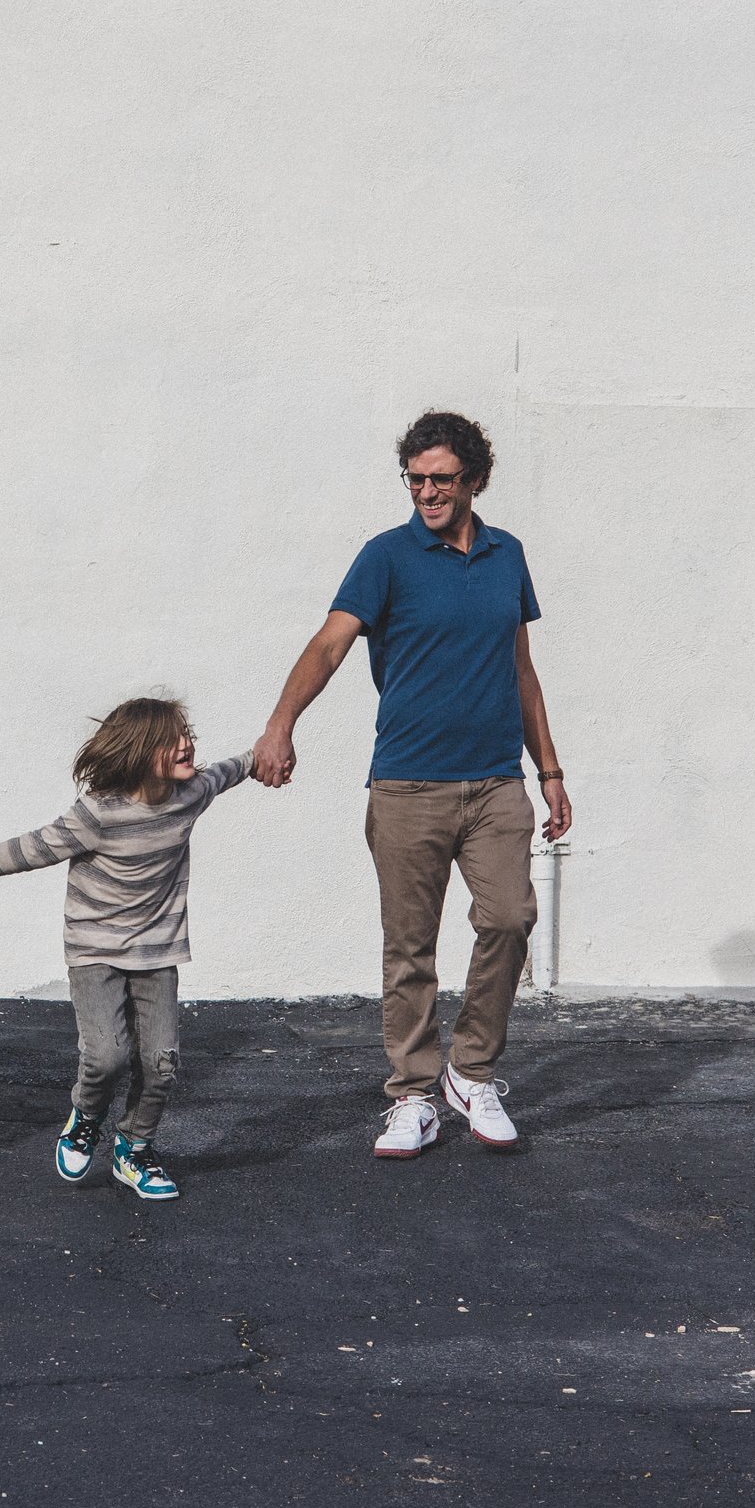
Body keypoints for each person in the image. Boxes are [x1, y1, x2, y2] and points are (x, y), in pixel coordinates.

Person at [251, 411, 573, 1157]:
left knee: (509, 917)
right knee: (410, 949)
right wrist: (281, 723)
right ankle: (413, 1095)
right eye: (416, 478)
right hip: (406, 785)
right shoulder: (387, 557)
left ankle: (471, 1070)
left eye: (441, 479)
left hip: (497, 782)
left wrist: (550, 770)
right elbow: (330, 643)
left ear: (474, 480)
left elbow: (522, 671)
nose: (427, 491)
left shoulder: (506, 555)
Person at [0, 698, 254, 1201]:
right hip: (95, 949)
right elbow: (29, 848)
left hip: (157, 950)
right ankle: (87, 1115)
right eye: (170, 738)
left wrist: (268, 754)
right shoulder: (99, 813)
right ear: (136, 751)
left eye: (186, 732)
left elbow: (233, 768)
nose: (186, 743)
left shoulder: (190, 792)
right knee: (108, 1056)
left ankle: (134, 1148)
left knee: (162, 1063)